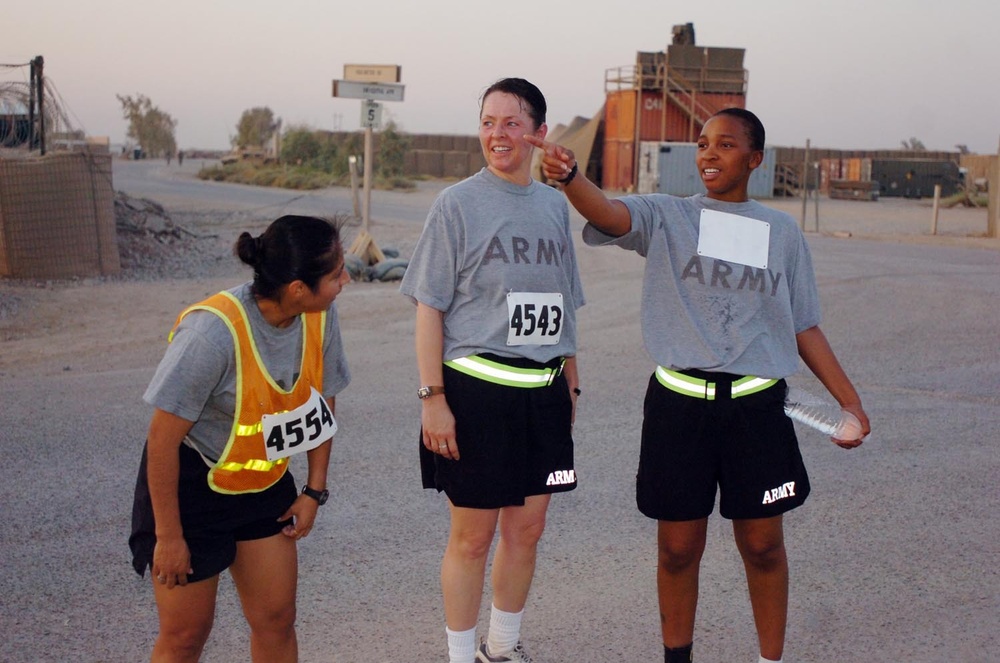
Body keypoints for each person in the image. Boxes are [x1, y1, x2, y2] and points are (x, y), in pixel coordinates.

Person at [527, 108, 870, 663]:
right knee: (678, 551)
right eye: (703, 143)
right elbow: (610, 216)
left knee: (762, 547)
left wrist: (848, 402)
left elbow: (803, 322)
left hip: (757, 411)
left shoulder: (779, 231)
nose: (708, 154)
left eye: (726, 144)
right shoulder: (667, 216)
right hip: (679, 409)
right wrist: (571, 179)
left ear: (755, 159)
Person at [399, 77, 585, 663]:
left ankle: (501, 648)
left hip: (544, 392)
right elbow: (429, 306)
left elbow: (563, 304)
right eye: (487, 122)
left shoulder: (556, 205)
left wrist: (572, 385)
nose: (496, 135)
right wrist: (433, 397)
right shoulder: (457, 203)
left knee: (527, 531)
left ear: (537, 133)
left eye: (510, 123)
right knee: (473, 537)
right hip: (477, 394)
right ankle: (459, 656)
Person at [129, 214, 351, 662]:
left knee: (276, 620)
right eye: (335, 274)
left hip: (264, 485)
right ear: (296, 289)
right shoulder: (212, 333)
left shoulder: (319, 318)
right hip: (192, 491)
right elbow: (161, 440)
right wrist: (168, 537)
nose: (346, 280)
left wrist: (314, 489)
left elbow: (320, 409)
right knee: (185, 636)